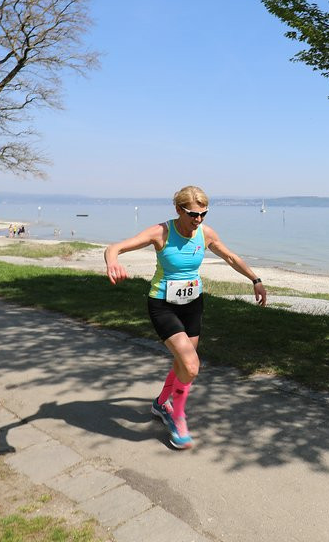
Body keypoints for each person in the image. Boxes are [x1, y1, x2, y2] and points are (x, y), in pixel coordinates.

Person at [104, 185, 267, 449]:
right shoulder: (162, 232)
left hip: (192, 304)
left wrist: (255, 280)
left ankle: (160, 403)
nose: (198, 220)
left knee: (183, 362)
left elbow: (230, 257)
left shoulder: (205, 233)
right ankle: (175, 416)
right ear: (178, 209)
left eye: (204, 214)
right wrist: (112, 261)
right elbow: (116, 247)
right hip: (163, 304)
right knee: (191, 365)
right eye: (193, 214)